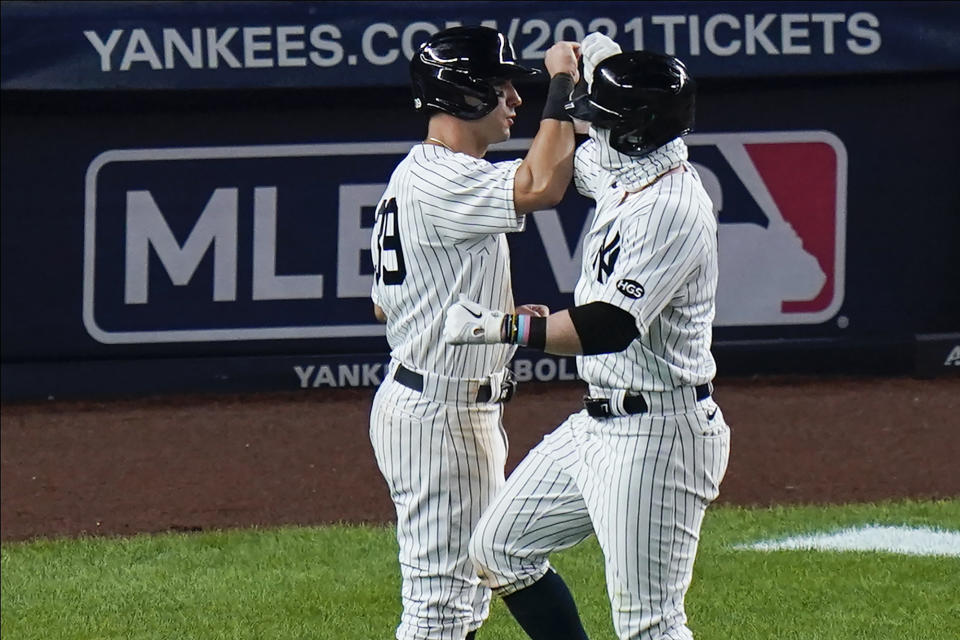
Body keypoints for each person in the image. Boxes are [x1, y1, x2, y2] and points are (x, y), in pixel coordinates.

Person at [443, 33, 730, 640]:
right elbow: (568, 160)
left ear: (637, 128)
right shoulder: (626, 165)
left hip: (659, 434)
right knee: (499, 549)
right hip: (597, 424)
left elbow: (607, 327)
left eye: (604, 119)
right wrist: (594, 70)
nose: (591, 128)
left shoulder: (673, 208)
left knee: (650, 626)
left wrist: (502, 327)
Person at [368, 26, 581, 640]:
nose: (515, 97)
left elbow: (385, 305)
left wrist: (496, 316)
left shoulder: (424, 175)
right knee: (440, 608)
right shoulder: (441, 177)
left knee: (461, 597)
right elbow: (543, 184)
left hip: (432, 403)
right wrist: (562, 84)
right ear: (462, 93)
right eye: (502, 85)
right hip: (441, 414)